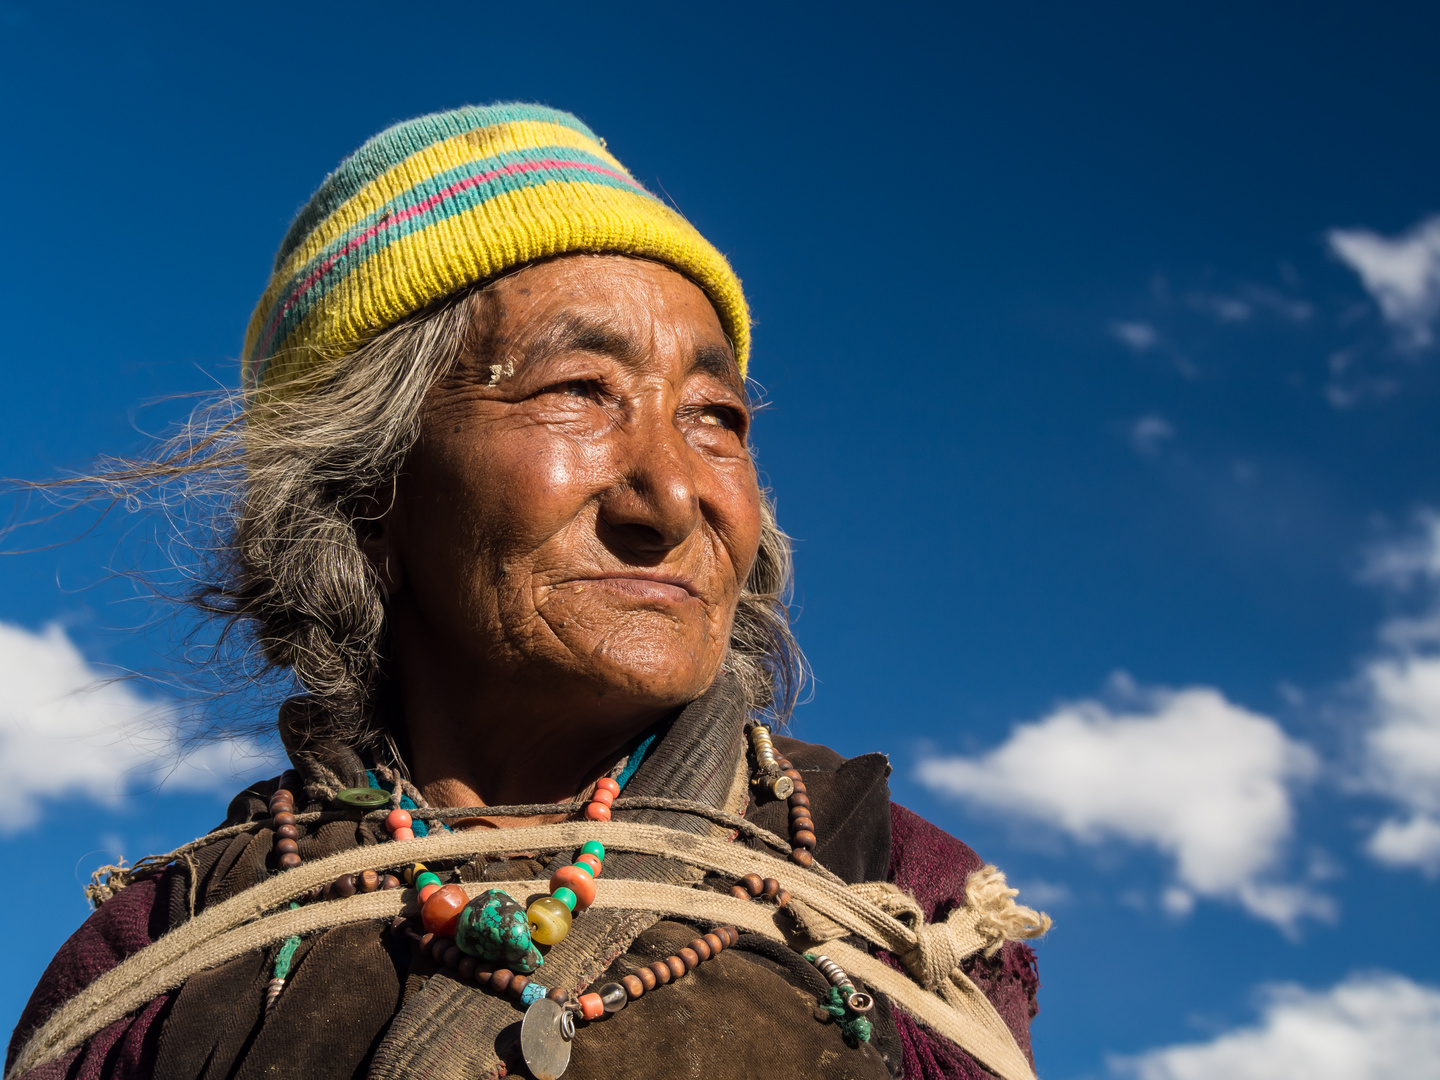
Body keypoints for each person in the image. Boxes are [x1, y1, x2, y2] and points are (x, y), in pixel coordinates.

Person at [5, 104, 1048, 1080]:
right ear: (366, 492)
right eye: (576, 391)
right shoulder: (160, 950)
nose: (675, 496)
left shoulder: (896, 887)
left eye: (714, 415)